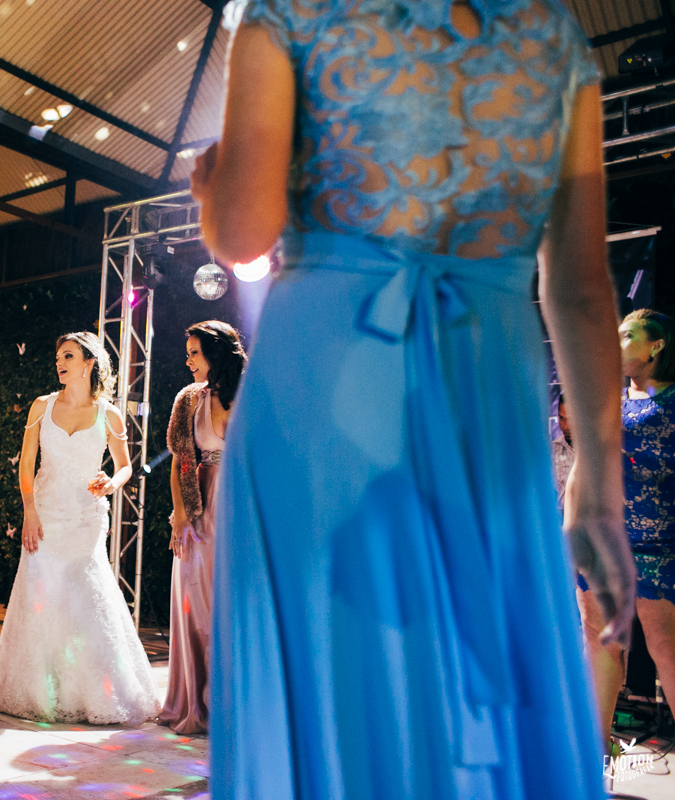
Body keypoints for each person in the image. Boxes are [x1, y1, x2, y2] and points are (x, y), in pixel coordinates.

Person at [193, 1, 636, 797]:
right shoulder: (554, 38)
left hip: (322, 382)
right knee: (474, 673)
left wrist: (208, 189)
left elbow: (243, 230)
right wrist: (598, 486)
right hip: (484, 389)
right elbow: (579, 288)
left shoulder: (290, 11)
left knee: (332, 685)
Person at [0, 332, 159, 723]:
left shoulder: (109, 414)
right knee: (42, 596)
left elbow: (125, 465)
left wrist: (111, 482)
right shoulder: (41, 406)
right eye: (58, 356)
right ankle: (41, 691)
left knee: (85, 598)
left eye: (68, 356)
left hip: (86, 517)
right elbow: (26, 463)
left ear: (89, 363)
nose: (59, 362)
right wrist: (29, 511)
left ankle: (95, 692)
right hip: (45, 515)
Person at [579, 309, 675, 748]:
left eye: (626, 335)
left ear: (657, 345)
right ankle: (593, 761)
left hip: (657, 544)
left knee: (665, 647)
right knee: (599, 642)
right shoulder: (607, 397)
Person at [160, 320, 247, 734]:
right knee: (195, 599)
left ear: (216, 353)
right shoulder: (189, 399)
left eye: (195, 353)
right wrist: (180, 512)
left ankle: (238, 704)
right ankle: (198, 701)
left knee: (237, 601)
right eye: (188, 353)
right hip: (203, 505)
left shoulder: (255, 391)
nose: (189, 361)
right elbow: (180, 460)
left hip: (246, 505)